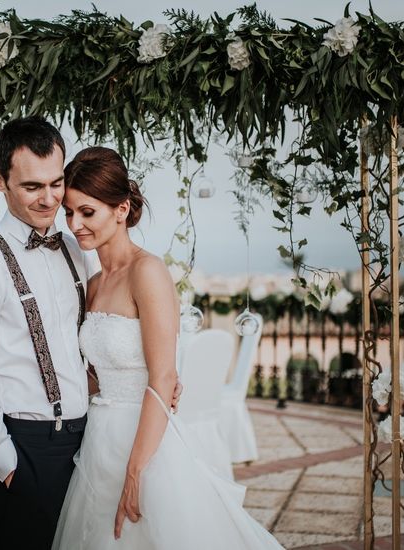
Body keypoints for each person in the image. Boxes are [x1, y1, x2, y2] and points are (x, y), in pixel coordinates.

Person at [0, 117, 180, 550]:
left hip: (88, 441)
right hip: (27, 447)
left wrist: (145, 380)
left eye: (56, 184)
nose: (50, 199)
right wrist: (3, 460)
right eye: (33, 186)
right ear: (0, 179)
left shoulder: (76, 249)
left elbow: (86, 341)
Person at [52, 146, 284, 550]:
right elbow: (96, 372)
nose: (75, 224)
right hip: (99, 441)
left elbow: (162, 375)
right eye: (69, 212)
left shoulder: (149, 272)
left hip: (145, 443)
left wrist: (136, 471)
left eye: (87, 212)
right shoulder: (93, 284)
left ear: (121, 209)